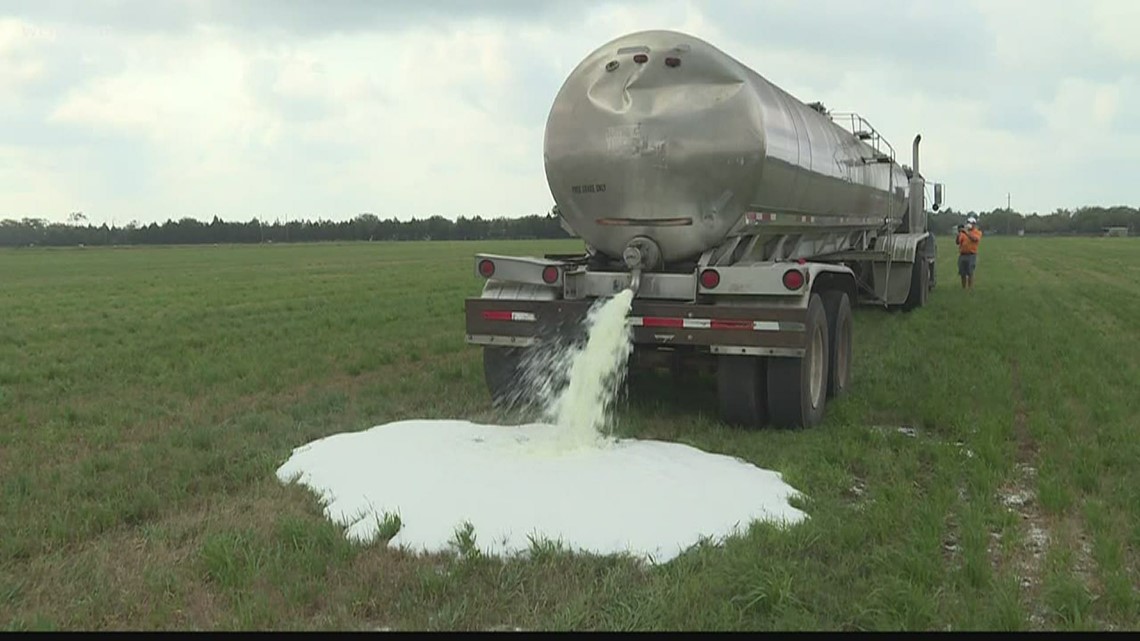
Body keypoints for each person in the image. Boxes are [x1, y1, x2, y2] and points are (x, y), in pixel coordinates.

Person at [956, 216, 982, 290]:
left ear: (974, 224)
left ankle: (970, 288)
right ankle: (963, 288)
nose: (969, 224)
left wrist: (966, 233)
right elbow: (958, 242)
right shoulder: (963, 233)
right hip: (962, 254)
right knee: (962, 273)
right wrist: (959, 234)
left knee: (970, 272)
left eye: (971, 223)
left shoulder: (977, 232)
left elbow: (975, 239)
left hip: (971, 255)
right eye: (968, 222)